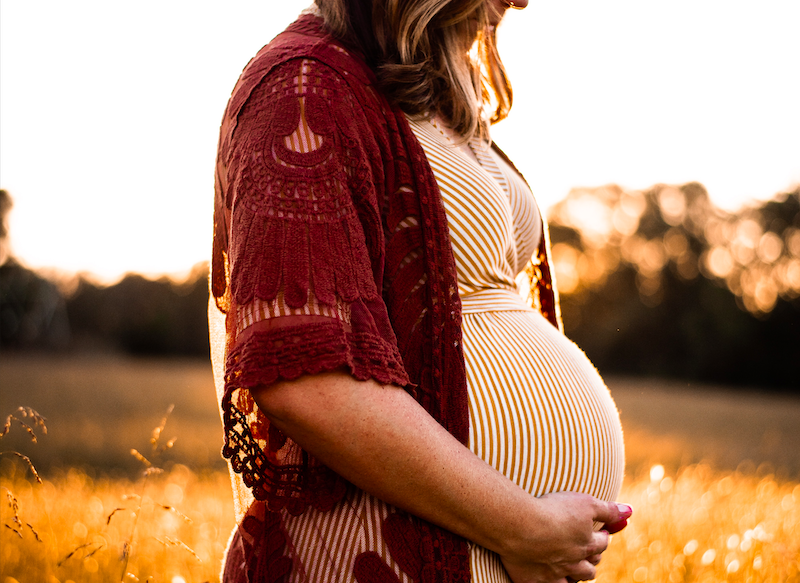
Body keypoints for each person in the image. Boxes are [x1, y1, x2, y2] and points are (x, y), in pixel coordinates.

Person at [209, 1, 632, 581]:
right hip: (383, 551)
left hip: (490, 545)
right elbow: (304, 380)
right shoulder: (302, 87)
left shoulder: (427, 94)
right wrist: (523, 525)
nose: (522, 1)